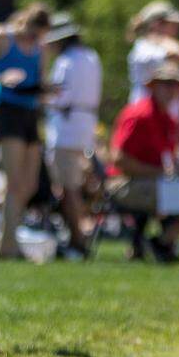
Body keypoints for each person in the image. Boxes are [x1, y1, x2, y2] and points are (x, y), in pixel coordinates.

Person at [107, 60, 179, 263]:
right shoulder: (138, 114)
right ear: (152, 86)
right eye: (166, 84)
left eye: (176, 85)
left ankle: (162, 242)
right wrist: (158, 174)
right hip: (123, 184)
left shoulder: (168, 120)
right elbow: (118, 160)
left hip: (153, 182)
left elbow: (166, 161)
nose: (172, 90)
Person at [0, 3, 52, 259]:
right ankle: (8, 246)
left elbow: (40, 80)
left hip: (30, 114)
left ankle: (10, 240)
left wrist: (49, 90)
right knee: (13, 182)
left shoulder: (41, 49)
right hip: (7, 112)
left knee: (28, 184)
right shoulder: (3, 37)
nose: (36, 38)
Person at [43, 14, 102, 260]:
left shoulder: (65, 61)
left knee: (69, 189)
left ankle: (78, 239)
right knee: (78, 185)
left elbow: (61, 96)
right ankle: (80, 234)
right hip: (86, 127)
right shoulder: (92, 57)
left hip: (66, 131)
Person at [127, 1, 179, 121]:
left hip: (166, 121)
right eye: (173, 24)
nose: (177, 28)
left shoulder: (164, 46)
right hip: (145, 120)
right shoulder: (144, 47)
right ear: (157, 24)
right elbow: (176, 54)